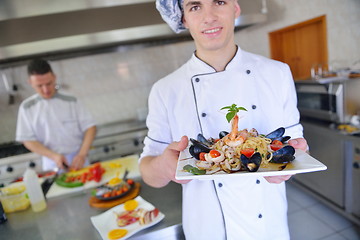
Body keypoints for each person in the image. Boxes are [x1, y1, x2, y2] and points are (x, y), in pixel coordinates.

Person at [140, 0, 308, 239]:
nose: (209, 16)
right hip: (206, 230)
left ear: (236, 8)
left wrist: (294, 160)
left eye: (219, 1)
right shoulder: (165, 90)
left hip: (268, 226)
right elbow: (147, 171)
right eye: (195, 6)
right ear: (183, 18)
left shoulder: (277, 73)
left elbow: (296, 144)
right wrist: (163, 167)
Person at [16, 59, 97, 171]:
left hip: (78, 159)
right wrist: (53, 156)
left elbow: (90, 128)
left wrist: (82, 154)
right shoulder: (27, 107)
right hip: (52, 162)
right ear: (30, 82)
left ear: (54, 77)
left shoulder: (72, 101)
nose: (46, 90)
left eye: (49, 83)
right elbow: (28, 140)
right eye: (39, 86)